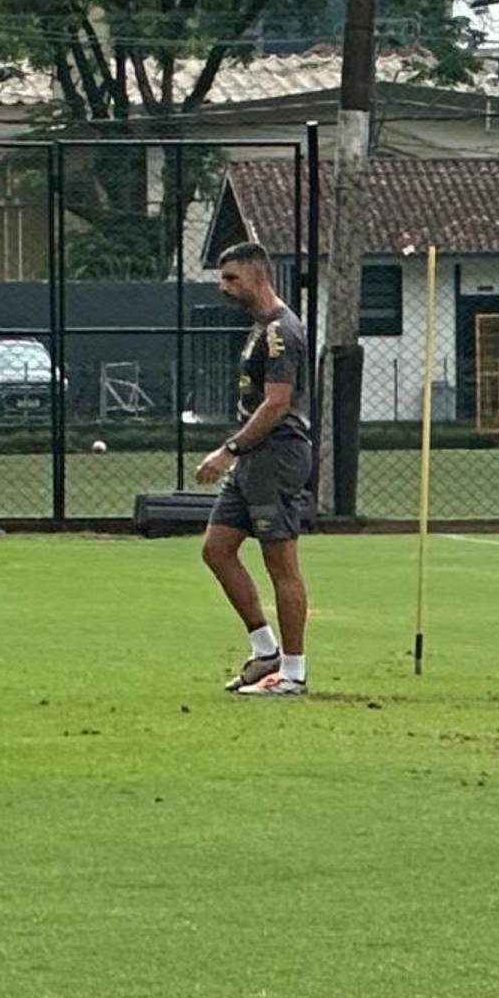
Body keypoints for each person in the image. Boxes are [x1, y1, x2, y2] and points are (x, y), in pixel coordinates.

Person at [193, 242, 314, 698]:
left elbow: (278, 403)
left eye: (231, 279)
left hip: (275, 455)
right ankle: (264, 650)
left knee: (280, 563)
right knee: (217, 549)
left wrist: (230, 448)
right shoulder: (260, 328)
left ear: (258, 277)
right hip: (253, 457)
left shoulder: (282, 331)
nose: (223, 287)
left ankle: (293, 673)